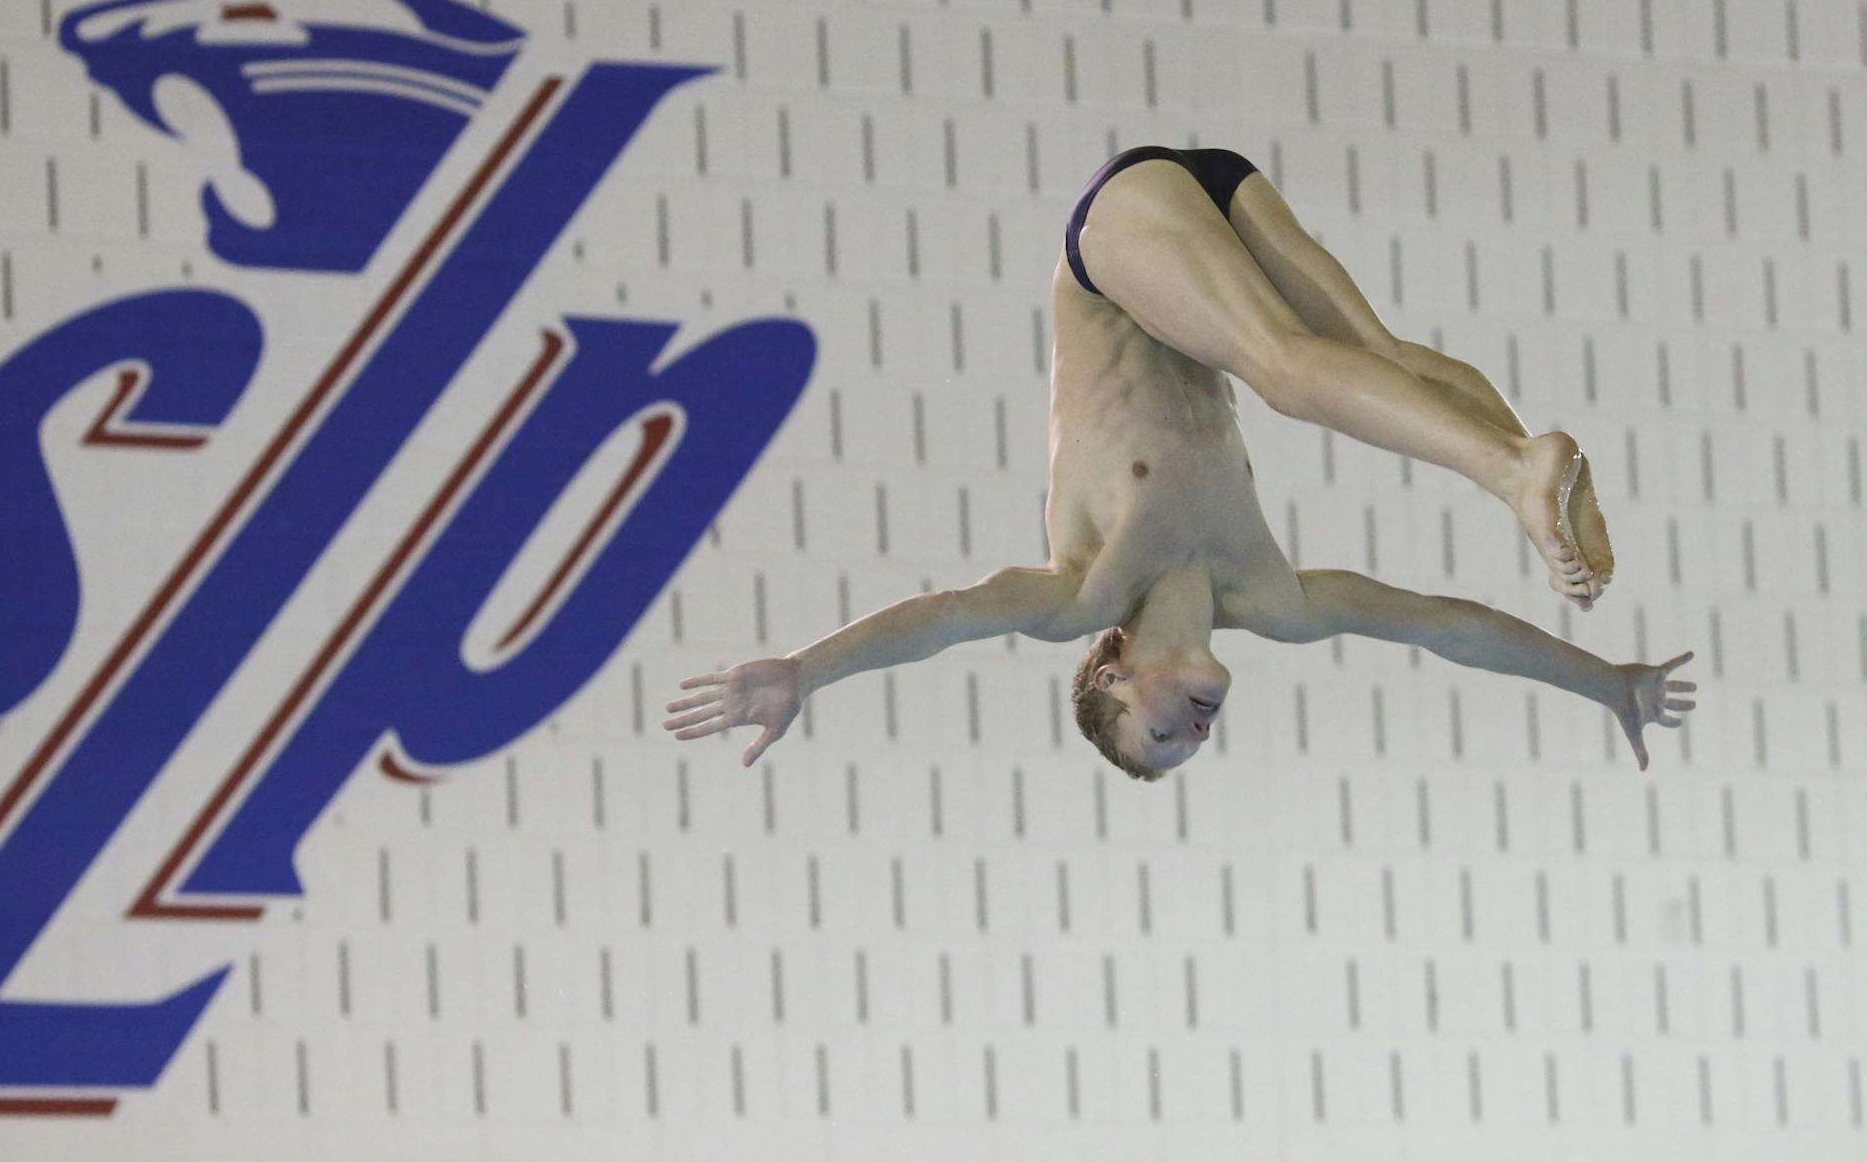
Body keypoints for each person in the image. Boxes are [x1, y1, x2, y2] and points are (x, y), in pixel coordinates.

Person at [663, 146, 1695, 780]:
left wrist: (805, 669)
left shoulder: (1082, 588)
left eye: (1159, 734)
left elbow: (942, 618)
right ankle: (1531, 463)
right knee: (1375, 357)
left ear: (1111, 671)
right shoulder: (1273, 597)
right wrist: (1603, 681)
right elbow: (1449, 630)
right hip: (1214, 203)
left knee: (1287, 372)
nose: (1193, 734)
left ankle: (1515, 472)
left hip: (1116, 249)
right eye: (1190, 748)